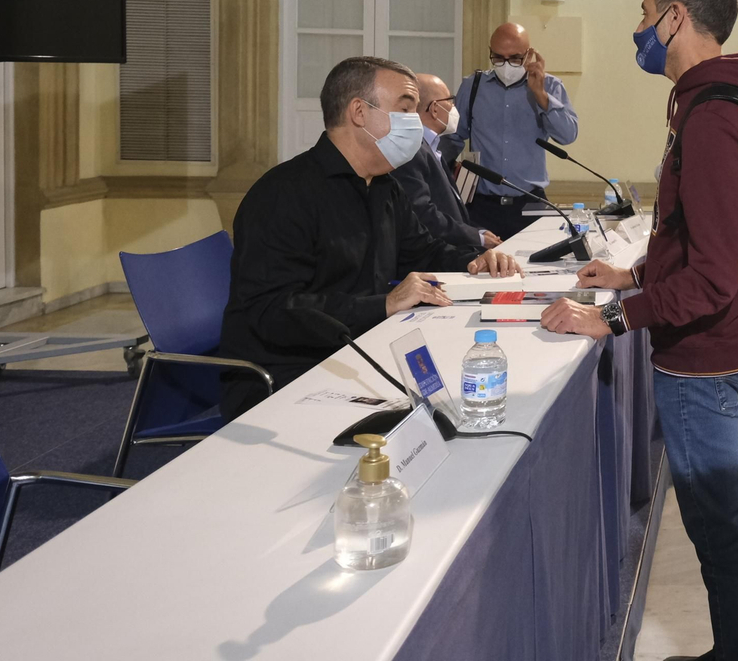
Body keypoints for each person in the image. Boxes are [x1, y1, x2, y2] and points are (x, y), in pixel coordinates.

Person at [538, 0, 738, 661]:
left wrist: (611, 317)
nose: (639, 27)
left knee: (721, 528)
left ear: (677, 17)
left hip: (706, 358)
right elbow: (699, 234)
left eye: (646, 12)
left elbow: (709, 274)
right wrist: (632, 272)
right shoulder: (725, 99)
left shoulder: (713, 117)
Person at [219, 56, 521, 420]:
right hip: (290, 375)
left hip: (365, 349)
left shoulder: (382, 186)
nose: (415, 122)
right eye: (406, 109)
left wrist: (473, 261)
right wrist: (383, 304)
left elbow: (421, 250)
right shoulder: (282, 195)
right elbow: (270, 310)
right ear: (359, 112)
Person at [444, 22, 579, 243]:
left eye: (515, 58)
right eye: (498, 58)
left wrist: (541, 95)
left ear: (530, 55)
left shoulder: (550, 86)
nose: (506, 65)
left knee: (534, 272)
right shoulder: (473, 85)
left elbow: (567, 135)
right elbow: (453, 137)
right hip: (481, 206)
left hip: (530, 204)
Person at [391, 73, 501, 253]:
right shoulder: (413, 150)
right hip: (436, 259)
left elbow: (450, 210)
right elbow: (423, 214)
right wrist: (476, 237)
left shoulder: (431, 146)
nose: (454, 108)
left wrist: (477, 231)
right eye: (450, 101)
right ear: (434, 109)